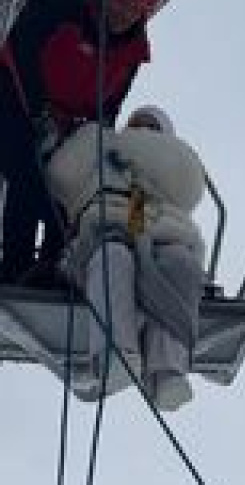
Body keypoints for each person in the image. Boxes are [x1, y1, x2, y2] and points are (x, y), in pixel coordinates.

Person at [0, 0, 166, 286]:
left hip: (59, 128)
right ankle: (19, 269)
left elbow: (107, 110)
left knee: (70, 188)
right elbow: (23, 55)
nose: (124, 16)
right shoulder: (60, 4)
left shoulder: (131, 55)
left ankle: (54, 265)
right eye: (121, 2)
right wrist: (40, 112)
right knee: (29, 173)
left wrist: (95, 153)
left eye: (135, 12)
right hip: (4, 107)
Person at [46, 104, 208, 409]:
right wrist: (92, 140)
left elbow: (188, 186)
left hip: (161, 230)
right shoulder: (104, 148)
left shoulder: (170, 171)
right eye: (138, 124)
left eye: (151, 126)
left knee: (179, 265)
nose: (143, 130)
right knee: (114, 256)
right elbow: (62, 175)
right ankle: (117, 353)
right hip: (109, 225)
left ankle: (166, 371)